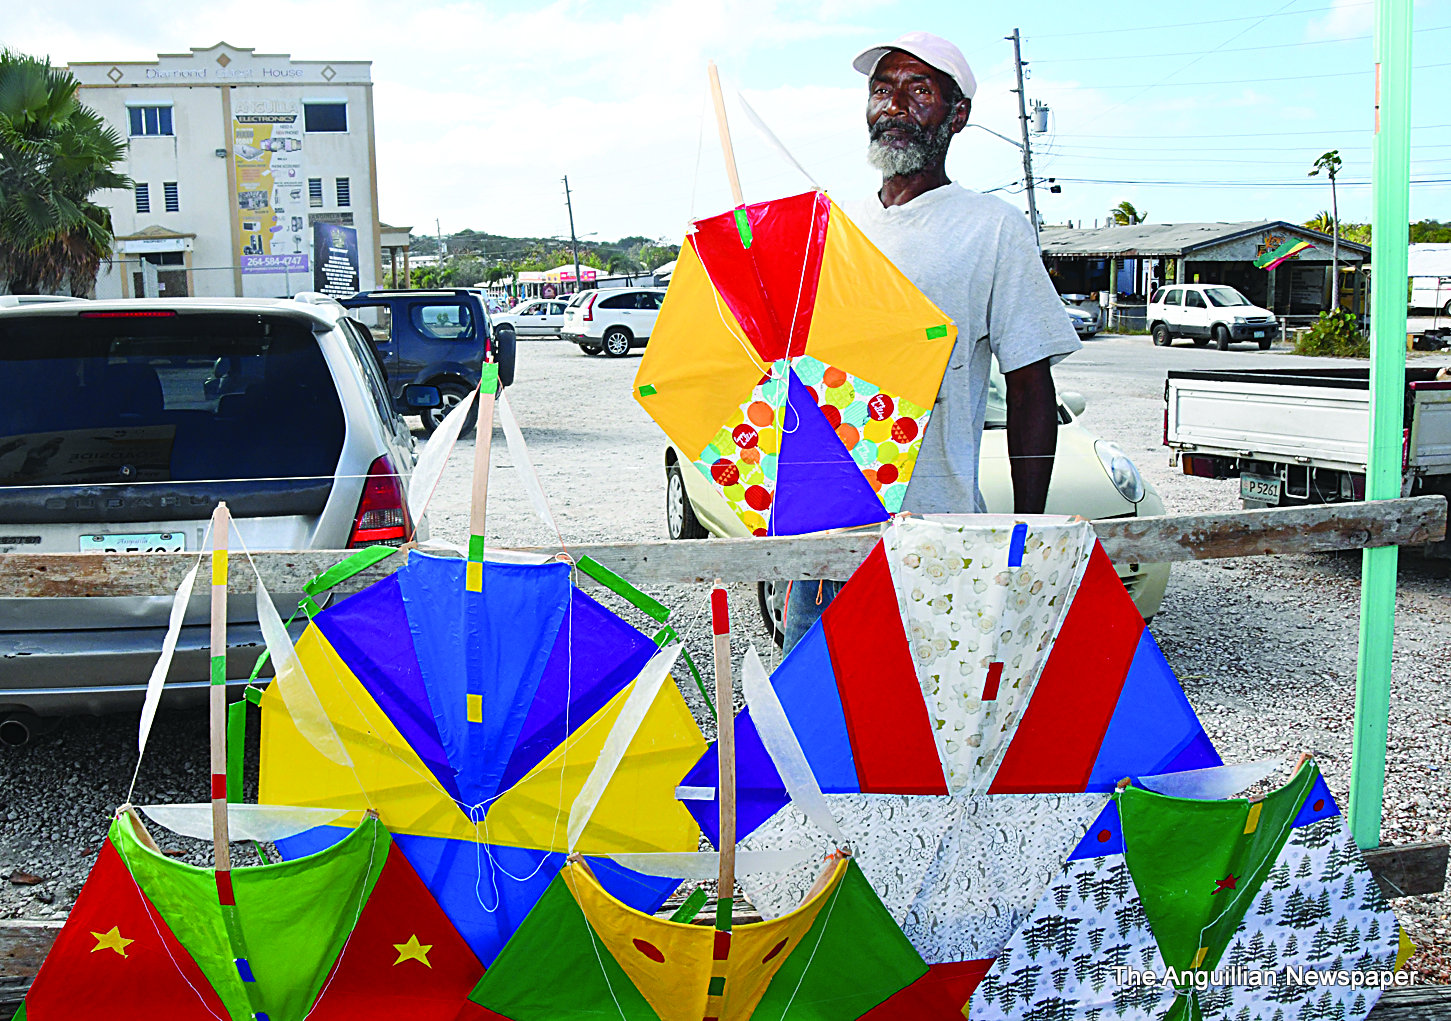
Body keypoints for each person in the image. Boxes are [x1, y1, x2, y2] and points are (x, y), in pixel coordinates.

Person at [781, 30, 1081, 652]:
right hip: (825, 530)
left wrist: (1024, 533)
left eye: (919, 91)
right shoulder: (834, 226)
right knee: (816, 718)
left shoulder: (992, 228)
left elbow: (1029, 386)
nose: (894, 106)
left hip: (939, 531)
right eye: (882, 90)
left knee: (931, 717)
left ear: (958, 114)